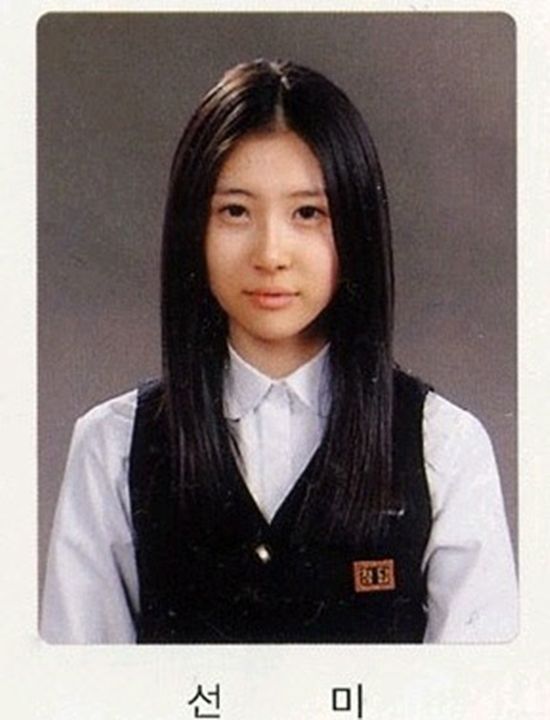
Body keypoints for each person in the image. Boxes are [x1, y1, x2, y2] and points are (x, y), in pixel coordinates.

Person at [41, 59, 518, 644]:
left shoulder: (443, 447)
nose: (271, 254)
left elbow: (478, 687)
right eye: (235, 211)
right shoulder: (112, 448)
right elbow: (82, 687)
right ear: (193, 229)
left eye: (308, 213)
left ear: (357, 227)